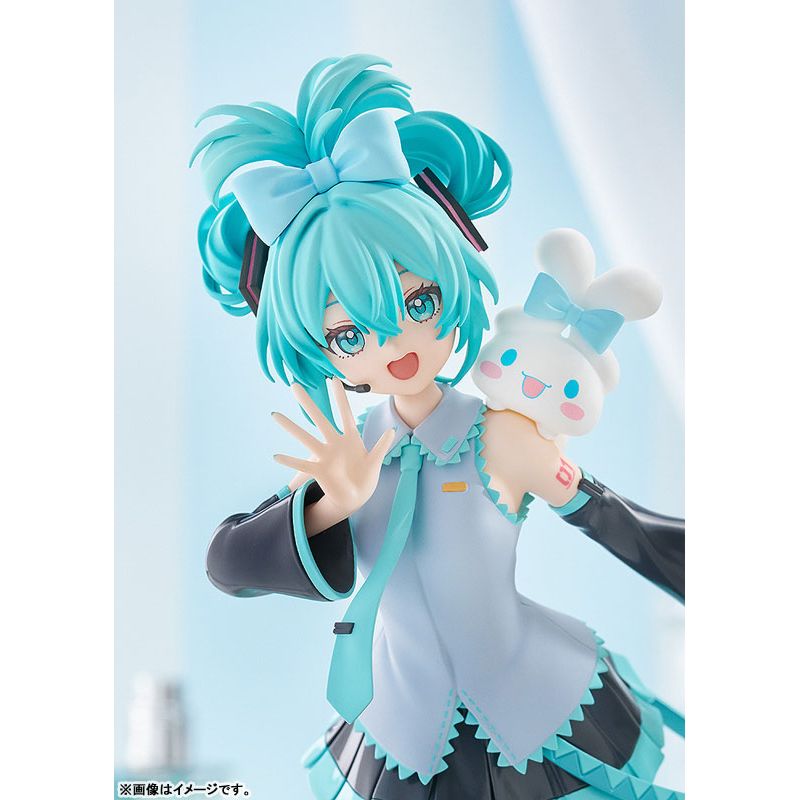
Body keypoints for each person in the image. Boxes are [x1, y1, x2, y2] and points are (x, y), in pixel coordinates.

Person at [191, 54, 685, 800]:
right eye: (350, 335)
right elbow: (227, 564)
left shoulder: (503, 438)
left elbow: (625, 527)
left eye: (418, 303)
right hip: (401, 728)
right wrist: (329, 503)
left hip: (536, 707)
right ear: (318, 348)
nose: (394, 345)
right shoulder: (349, 456)